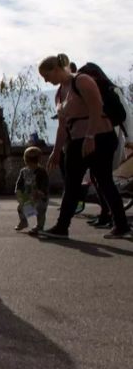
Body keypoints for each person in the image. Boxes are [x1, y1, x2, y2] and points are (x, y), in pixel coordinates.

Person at [40, 54, 130, 239]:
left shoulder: (82, 80)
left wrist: (90, 136)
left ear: (56, 69)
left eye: (47, 75)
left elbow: (96, 107)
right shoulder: (60, 93)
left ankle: (120, 225)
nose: (46, 80)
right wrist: (56, 151)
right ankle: (62, 226)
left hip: (100, 137)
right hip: (76, 140)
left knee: (104, 181)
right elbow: (63, 125)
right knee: (72, 184)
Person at [14, 147, 49, 234]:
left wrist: (41, 192)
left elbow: (45, 184)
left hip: (40, 197)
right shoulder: (24, 171)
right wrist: (18, 192)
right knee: (21, 209)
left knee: (40, 212)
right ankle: (25, 222)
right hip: (29, 196)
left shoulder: (41, 171)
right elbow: (19, 183)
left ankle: (39, 226)